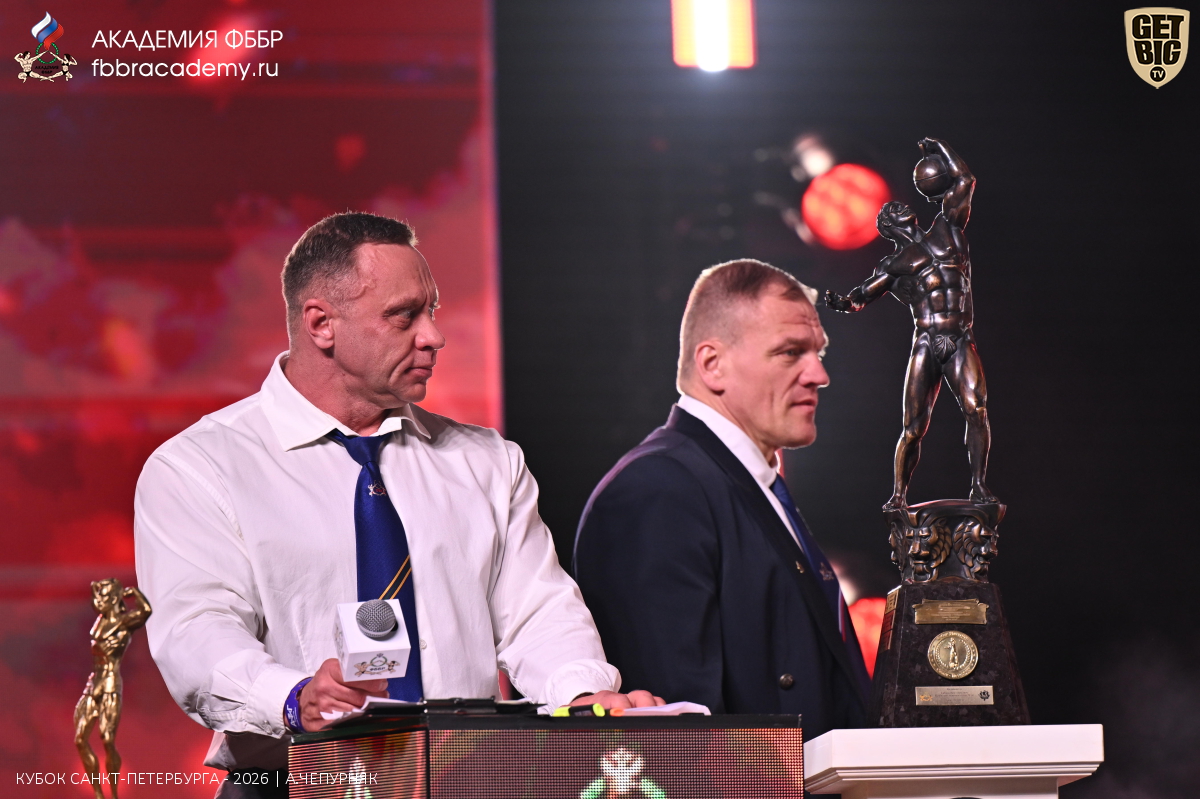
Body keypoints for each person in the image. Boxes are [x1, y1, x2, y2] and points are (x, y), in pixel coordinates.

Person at [134, 212, 660, 798]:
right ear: (321, 324)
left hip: (466, 783)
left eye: (431, 311)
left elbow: (539, 615)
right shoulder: (200, 466)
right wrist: (292, 697)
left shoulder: (488, 461)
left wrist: (581, 695)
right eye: (404, 315)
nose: (434, 336)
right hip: (294, 784)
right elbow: (196, 633)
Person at [573, 259, 869, 737]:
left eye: (819, 352)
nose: (818, 374)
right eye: (791, 352)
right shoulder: (658, 488)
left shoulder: (740, 482)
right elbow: (677, 735)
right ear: (713, 365)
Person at [825, 137, 995, 509]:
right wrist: (842, 303)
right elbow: (861, 296)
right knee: (914, 426)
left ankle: (979, 486)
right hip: (927, 341)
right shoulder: (893, 266)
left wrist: (941, 148)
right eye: (890, 210)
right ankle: (899, 496)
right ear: (888, 226)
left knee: (976, 408)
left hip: (959, 337)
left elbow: (965, 180)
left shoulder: (947, 230)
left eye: (898, 204)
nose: (897, 206)